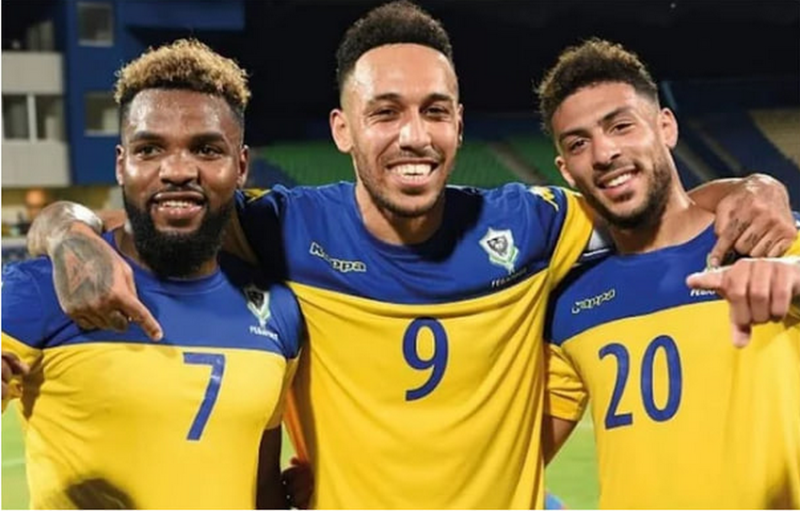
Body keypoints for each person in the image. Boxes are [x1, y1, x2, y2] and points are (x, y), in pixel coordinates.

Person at [25, 2, 797, 508]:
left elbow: (656, 206)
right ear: (343, 128)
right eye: (384, 111)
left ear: (459, 123)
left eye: (434, 111)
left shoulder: (535, 226)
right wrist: (62, 228)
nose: (413, 136)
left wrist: (754, 190)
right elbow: (149, 213)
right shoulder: (280, 227)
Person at [1, 39, 304, 509]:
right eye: (150, 149)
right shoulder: (47, 289)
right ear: (121, 164)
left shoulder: (277, 309)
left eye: (206, 149)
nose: (178, 170)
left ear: (241, 165)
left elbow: (262, 487)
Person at [538, 38, 800, 508]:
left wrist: (792, 275)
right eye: (579, 143)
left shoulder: (767, 239)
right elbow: (512, 460)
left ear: (666, 126)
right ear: (566, 171)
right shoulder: (572, 302)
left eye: (621, 126)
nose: (604, 153)